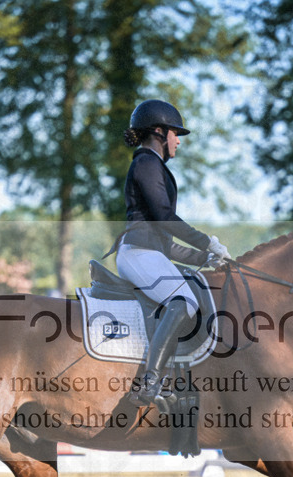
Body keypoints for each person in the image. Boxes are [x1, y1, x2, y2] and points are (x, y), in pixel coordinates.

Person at [114, 99, 231, 410]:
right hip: (136, 252)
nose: (178, 140)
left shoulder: (152, 165)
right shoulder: (147, 163)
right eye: (175, 134)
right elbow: (165, 217)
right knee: (186, 301)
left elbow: (165, 244)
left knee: (187, 293)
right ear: (158, 132)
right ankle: (151, 381)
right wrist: (208, 243)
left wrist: (204, 260)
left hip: (146, 251)